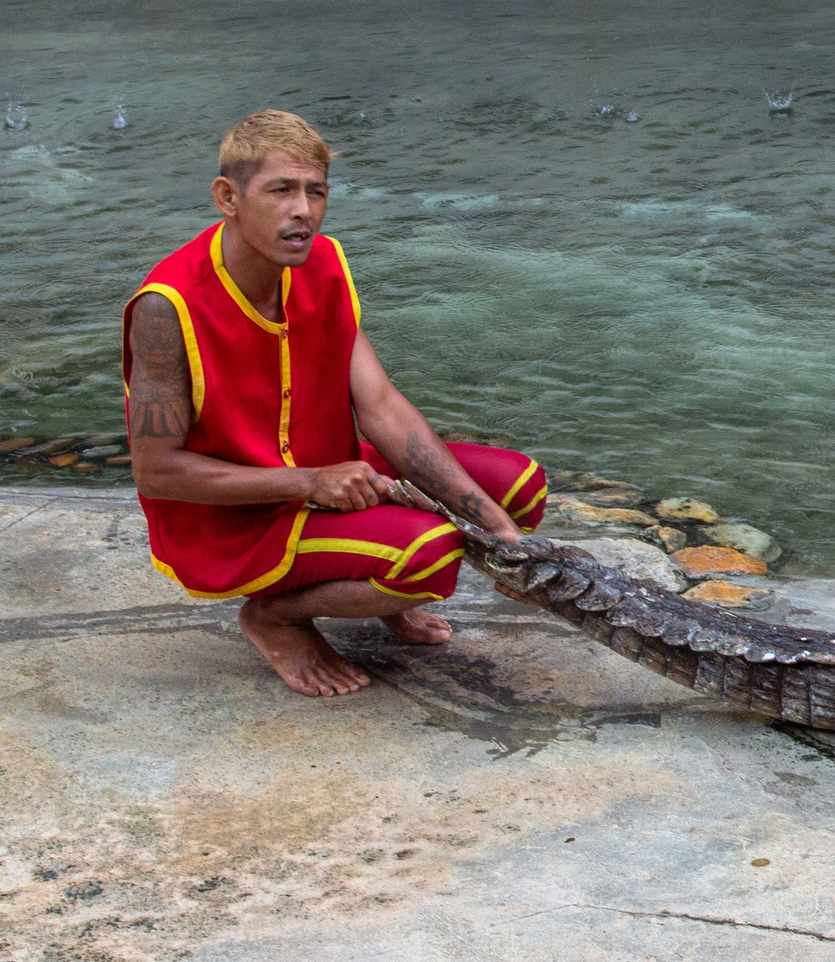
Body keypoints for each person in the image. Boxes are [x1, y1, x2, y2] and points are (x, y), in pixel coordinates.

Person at [121, 111, 547, 697]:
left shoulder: (322, 263)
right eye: (281, 190)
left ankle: (382, 594)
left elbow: (381, 407)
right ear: (228, 196)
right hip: (237, 521)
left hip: (329, 475)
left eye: (315, 191)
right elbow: (156, 472)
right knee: (430, 553)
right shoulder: (166, 308)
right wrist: (309, 481)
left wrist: (498, 527)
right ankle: (273, 617)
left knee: (519, 488)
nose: (303, 210)